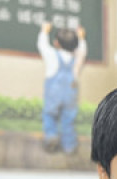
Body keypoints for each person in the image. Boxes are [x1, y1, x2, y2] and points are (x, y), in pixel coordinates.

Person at [37, 22, 87, 154]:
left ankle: (51, 136)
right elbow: (82, 51)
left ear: (56, 43)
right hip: (71, 92)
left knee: (49, 114)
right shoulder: (77, 58)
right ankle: (69, 146)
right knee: (68, 118)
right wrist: (81, 38)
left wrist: (44, 31)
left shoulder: (52, 56)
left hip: (54, 92)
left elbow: (42, 46)